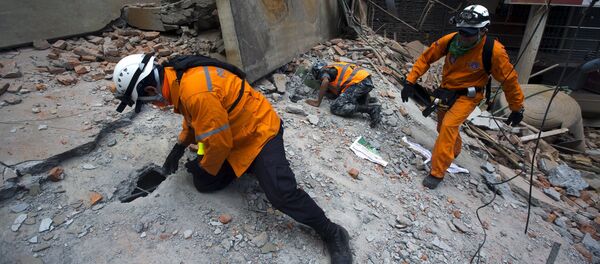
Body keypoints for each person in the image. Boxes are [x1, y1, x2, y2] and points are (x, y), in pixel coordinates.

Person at [111, 54, 352, 263]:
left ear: (151, 90)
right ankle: (249, 168)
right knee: (203, 183)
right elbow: (194, 118)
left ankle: (332, 232)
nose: (154, 106)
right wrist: (180, 145)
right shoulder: (177, 77)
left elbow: (219, 142)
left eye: (148, 103)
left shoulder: (194, 91)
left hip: (259, 132)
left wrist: (206, 165)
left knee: (280, 193)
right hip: (234, 136)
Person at [401, 5, 525, 189]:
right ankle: (454, 149)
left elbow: (509, 81)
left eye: (469, 33)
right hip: (446, 92)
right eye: (462, 32)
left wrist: (516, 107)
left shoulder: (494, 52)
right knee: (443, 126)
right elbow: (426, 58)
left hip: (469, 96)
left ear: (483, 31)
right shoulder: (451, 41)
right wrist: (410, 81)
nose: (464, 37)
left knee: (449, 125)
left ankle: (437, 172)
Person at [305, 61, 382, 127]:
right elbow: (338, 88)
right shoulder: (333, 67)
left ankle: (371, 109)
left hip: (359, 83)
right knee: (343, 97)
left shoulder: (324, 72)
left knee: (336, 107)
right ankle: (364, 98)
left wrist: (318, 102)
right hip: (365, 80)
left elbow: (325, 81)